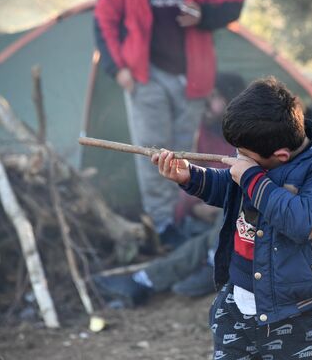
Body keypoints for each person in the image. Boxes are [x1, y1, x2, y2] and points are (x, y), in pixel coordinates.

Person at [152, 78, 312, 359]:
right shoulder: (260, 158)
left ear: (281, 156)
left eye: (245, 157)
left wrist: (251, 177)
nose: (238, 160)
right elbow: (235, 190)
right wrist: (192, 177)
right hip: (238, 303)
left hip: (298, 313)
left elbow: (306, 222)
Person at [94, 0, 244, 244]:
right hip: (146, 76)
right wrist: (117, 69)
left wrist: (204, 15)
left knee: (184, 152)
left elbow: (233, 2)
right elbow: (103, 19)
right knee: (153, 152)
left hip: (193, 75)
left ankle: (182, 216)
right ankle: (163, 224)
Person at [93, 72, 246, 305]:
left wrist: (220, 203)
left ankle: (150, 279)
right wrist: (197, 206)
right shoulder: (204, 135)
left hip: (242, 221)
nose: (206, 103)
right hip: (207, 221)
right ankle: (144, 280)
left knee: (228, 214)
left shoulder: (247, 141)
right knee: (206, 238)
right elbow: (194, 187)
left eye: (214, 96)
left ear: (231, 100)